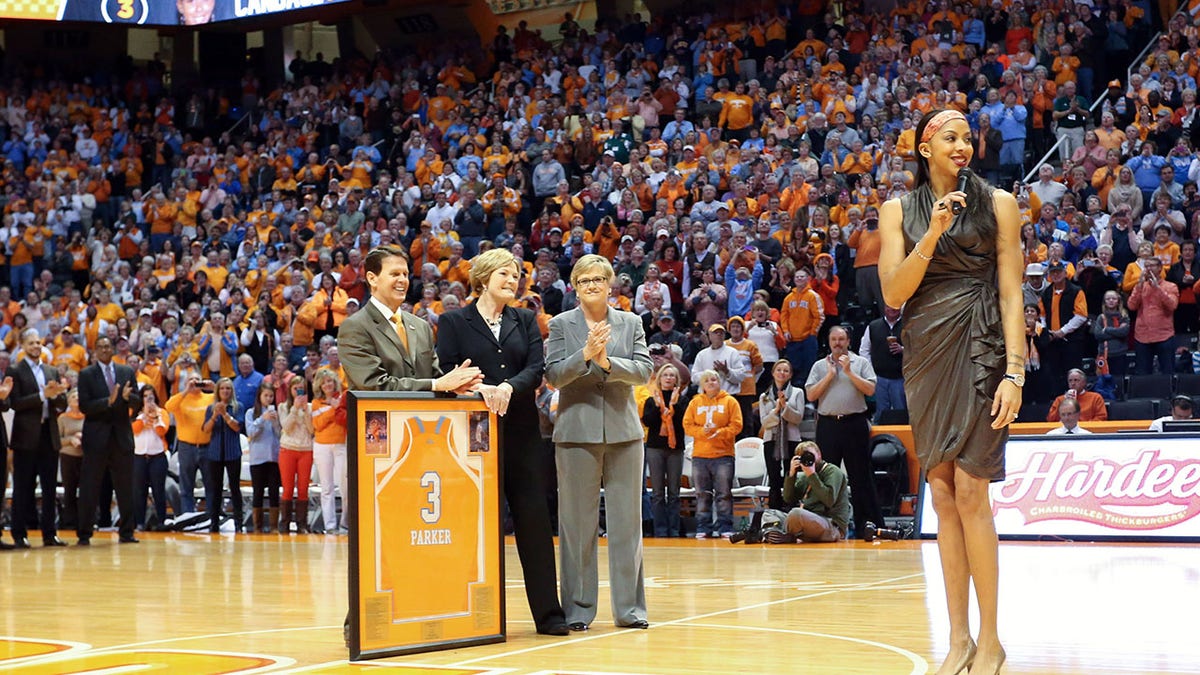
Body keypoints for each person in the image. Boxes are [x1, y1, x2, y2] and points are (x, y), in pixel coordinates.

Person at [879, 108, 1026, 675]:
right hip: (926, 349)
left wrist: (1014, 372)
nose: (962, 145)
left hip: (982, 343)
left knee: (971, 492)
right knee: (940, 495)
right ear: (924, 148)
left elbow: (1013, 293)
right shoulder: (898, 210)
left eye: (967, 137)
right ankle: (958, 638)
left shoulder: (1000, 204)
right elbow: (894, 293)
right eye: (950, 137)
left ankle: (991, 640)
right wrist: (934, 232)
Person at [336, 244, 483, 645]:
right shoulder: (355, 327)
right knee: (380, 538)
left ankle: (416, 614)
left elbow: (434, 377)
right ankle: (361, 623)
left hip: (424, 450)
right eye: (394, 273)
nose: (403, 280)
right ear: (371, 278)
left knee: (417, 535)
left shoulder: (419, 326)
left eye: (405, 273)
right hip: (379, 451)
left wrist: (461, 384)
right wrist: (437, 385)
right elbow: (374, 386)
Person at [436, 247, 569, 636]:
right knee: (475, 524)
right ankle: (478, 616)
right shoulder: (453, 322)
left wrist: (508, 387)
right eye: (505, 275)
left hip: (524, 432)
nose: (513, 281)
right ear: (483, 278)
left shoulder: (525, 318)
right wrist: (483, 388)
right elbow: (448, 369)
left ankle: (549, 615)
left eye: (516, 276)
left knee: (534, 521)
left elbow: (535, 368)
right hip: (472, 433)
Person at [544, 253, 653, 631]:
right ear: (575, 288)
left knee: (628, 525)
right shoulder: (560, 325)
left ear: (610, 285)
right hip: (575, 435)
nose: (592, 285)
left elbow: (643, 371)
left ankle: (630, 610)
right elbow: (554, 376)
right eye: (584, 280)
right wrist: (585, 355)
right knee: (576, 526)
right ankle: (577, 610)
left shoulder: (631, 322)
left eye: (598, 279)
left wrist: (607, 362)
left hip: (625, 435)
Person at [803, 325, 883, 538]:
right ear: (829, 342)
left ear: (849, 342)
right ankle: (827, 525)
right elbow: (811, 395)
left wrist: (847, 372)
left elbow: (871, 390)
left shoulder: (861, 363)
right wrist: (830, 376)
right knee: (828, 475)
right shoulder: (820, 366)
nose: (837, 343)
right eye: (833, 339)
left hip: (855, 423)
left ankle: (868, 525)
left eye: (841, 339)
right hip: (828, 425)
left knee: (861, 476)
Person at [2, 328, 68, 547]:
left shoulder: (51, 370)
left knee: (49, 488)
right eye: (31, 343)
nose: (36, 346)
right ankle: (19, 534)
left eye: (38, 342)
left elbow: (63, 404)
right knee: (23, 487)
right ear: (22, 346)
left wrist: (58, 394)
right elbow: (15, 403)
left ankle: (50, 534)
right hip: (25, 436)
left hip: (49, 436)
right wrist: (42, 396)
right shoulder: (15, 370)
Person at [77, 335, 142, 545]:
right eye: (100, 347)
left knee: (125, 486)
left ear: (113, 349)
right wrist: (109, 401)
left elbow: (137, 402)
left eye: (107, 346)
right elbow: (85, 406)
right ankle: (84, 533)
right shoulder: (86, 374)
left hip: (121, 437)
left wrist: (125, 398)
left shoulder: (126, 371)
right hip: (96, 438)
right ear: (95, 351)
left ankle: (127, 532)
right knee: (90, 486)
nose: (104, 350)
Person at [682, 369, 743, 539]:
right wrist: (702, 432)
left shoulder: (730, 401)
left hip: (723, 455)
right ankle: (703, 527)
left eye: (714, 379)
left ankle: (725, 527)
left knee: (724, 494)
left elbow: (737, 425)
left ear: (719, 382)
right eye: (707, 380)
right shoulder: (695, 403)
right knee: (702, 494)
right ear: (702, 385)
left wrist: (720, 432)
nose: (711, 382)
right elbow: (687, 425)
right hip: (700, 455)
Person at [641, 363, 690, 538]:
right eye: (665, 375)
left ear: (676, 380)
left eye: (672, 376)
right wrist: (657, 407)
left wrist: (674, 408)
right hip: (655, 447)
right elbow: (648, 421)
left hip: (675, 448)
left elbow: (683, 424)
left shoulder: (683, 401)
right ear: (659, 378)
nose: (669, 378)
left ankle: (675, 530)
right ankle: (660, 530)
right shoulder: (651, 399)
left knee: (674, 493)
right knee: (658, 493)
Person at [778, 440, 850, 542]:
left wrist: (812, 475)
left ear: (819, 454)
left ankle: (780, 533)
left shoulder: (833, 471)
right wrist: (791, 474)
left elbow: (829, 500)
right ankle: (784, 534)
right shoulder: (804, 476)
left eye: (810, 455)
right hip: (809, 520)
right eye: (802, 457)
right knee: (769, 514)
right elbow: (788, 498)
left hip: (831, 525)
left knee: (795, 514)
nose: (807, 459)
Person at [757, 359, 806, 511]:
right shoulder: (764, 396)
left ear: (790, 375)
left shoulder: (798, 393)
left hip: (792, 440)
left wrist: (785, 407)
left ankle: (792, 510)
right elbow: (765, 423)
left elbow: (797, 418)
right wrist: (776, 410)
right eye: (779, 370)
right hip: (771, 440)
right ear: (773, 373)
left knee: (791, 476)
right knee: (774, 479)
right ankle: (774, 513)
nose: (782, 373)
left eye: (786, 370)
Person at [165, 375, 215, 515]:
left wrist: (214, 388)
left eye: (197, 380)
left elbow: (227, 400)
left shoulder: (209, 398)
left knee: (210, 485)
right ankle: (188, 517)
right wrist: (186, 390)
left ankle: (212, 518)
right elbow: (168, 406)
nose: (195, 383)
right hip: (187, 447)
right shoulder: (181, 399)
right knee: (186, 486)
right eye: (191, 380)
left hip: (207, 446)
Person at [311, 368, 348, 534]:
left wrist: (336, 409)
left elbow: (344, 421)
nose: (327, 384)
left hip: (341, 444)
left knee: (345, 486)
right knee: (326, 487)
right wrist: (334, 410)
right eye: (324, 382)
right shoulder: (316, 402)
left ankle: (345, 524)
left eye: (330, 381)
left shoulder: (343, 398)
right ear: (319, 384)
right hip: (322, 446)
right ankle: (330, 526)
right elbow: (317, 425)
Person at [244, 381, 282, 533]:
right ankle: (257, 526)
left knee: (274, 491)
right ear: (260, 396)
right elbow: (250, 433)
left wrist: (274, 423)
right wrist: (262, 419)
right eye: (266, 395)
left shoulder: (276, 413)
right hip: (257, 458)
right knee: (258, 492)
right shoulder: (251, 413)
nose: (268, 399)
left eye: (271, 396)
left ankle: (273, 526)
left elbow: (280, 434)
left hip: (274, 458)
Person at [132, 385, 171, 530]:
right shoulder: (135, 413)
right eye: (145, 396)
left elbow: (162, 431)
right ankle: (139, 522)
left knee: (158, 490)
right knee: (139, 491)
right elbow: (134, 430)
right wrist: (144, 417)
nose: (148, 399)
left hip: (158, 456)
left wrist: (155, 416)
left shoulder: (162, 413)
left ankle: (161, 521)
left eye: (151, 396)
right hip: (139, 456)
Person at [278, 377, 314, 533]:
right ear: (290, 390)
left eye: (302, 389)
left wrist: (305, 410)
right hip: (288, 449)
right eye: (296, 389)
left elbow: (312, 430)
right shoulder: (283, 407)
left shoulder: (310, 408)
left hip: (306, 449)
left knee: (303, 488)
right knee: (287, 488)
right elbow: (286, 427)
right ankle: (284, 524)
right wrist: (295, 408)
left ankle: (302, 524)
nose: (298, 392)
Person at [860, 305, 907, 422]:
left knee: (901, 411)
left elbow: (918, 348)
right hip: (879, 378)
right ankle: (880, 438)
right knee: (880, 412)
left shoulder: (908, 325)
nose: (892, 309)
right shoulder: (873, 326)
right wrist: (870, 372)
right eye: (889, 306)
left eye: (896, 306)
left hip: (901, 378)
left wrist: (903, 349)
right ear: (884, 307)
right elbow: (864, 350)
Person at [57, 388, 85, 532]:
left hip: (84, 457)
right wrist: (70, 440)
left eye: (79, 397)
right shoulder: (62, 418)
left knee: (85, 491)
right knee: (70, 490)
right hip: (68, 456)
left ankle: (85, 521)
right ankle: (69, 522)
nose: (76, 399)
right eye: (74, 396)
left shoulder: (87, 417)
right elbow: (57, 440)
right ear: (69, 400)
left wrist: (83, 437)